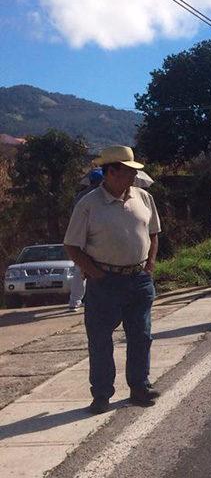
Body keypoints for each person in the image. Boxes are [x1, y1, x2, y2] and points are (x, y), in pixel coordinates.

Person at [63, 146, 160, 414]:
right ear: (111, 171)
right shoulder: (89, 203)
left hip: (139, 280)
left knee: (141, 336)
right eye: (129, 170)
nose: (134, 175)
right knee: (101, 340)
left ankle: (140, 387)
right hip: (105, 282)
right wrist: (95, 273)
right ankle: (102, 394)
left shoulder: (144, 197)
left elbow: (153, 234)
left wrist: (150, 264)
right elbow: (72, 246)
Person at [67, 169, 104, 311]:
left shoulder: (79, 196)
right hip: (96, 233)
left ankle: (74, 301)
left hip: (80, 233)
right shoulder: (100, 195)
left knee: (80, 267)